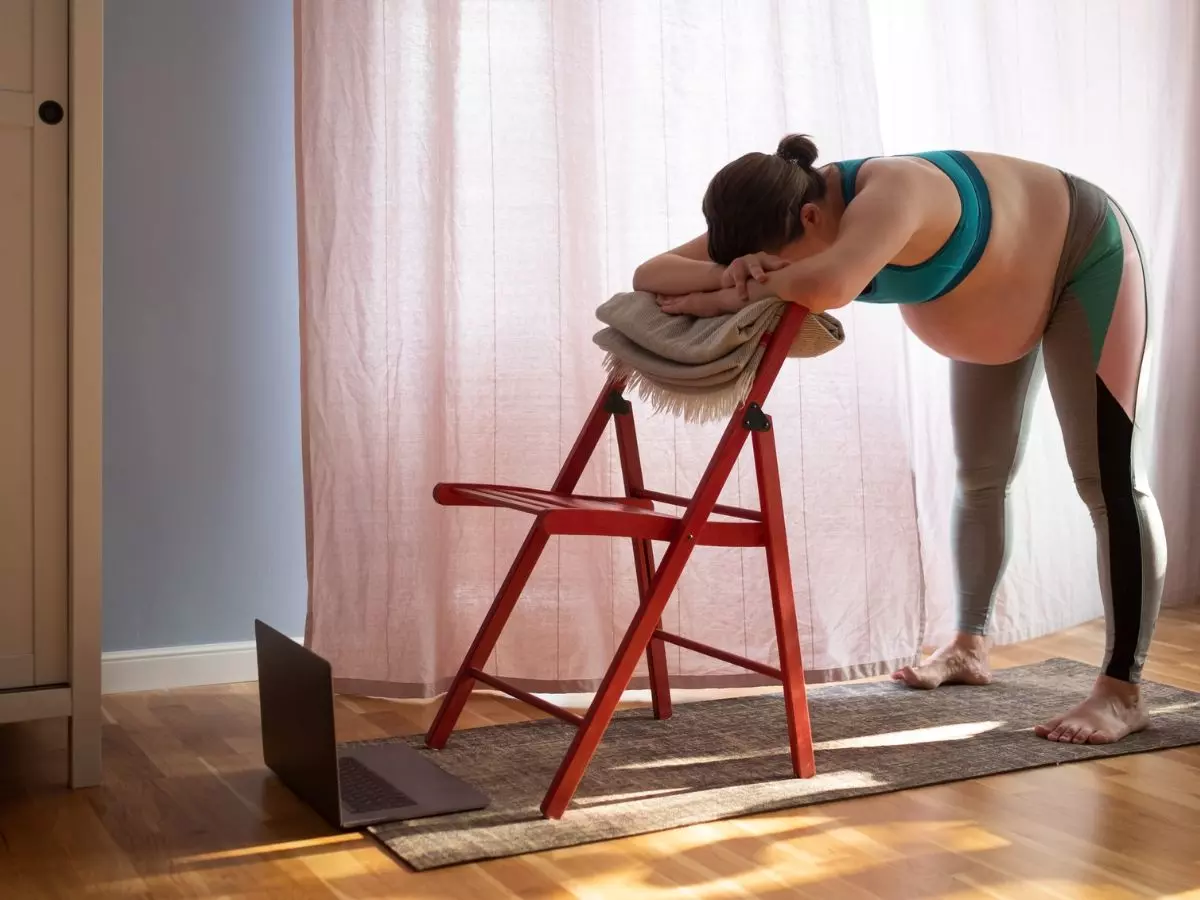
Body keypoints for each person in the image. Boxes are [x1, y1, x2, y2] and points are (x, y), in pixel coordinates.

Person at [632, 134, 1165, 745]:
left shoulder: (894, 190)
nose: (769, 269)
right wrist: (739, 268)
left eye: (773, 259)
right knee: (980, 474)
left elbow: (827, 283)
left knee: (1107, 479)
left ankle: (1123, 692)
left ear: (810, 217)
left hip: (1084, 257)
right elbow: (650, 273)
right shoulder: (769, 207)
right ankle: (968, 647)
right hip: (998, 296)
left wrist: (719, 291)